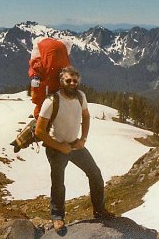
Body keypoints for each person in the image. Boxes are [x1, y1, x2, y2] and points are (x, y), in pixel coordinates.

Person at [35, 66, 114, 230]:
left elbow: (86, 116)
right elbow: (39, 131)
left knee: (95, 174)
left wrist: (83, 139)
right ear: (61, 81)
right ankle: (57, 217)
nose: (72, 83)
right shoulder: (51, 101)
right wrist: (60, 146)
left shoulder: (80, 96)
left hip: (75, 145)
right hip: (56, 148)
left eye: (75, 80)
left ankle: (99, 210)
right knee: (58, 183)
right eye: (68, 80)